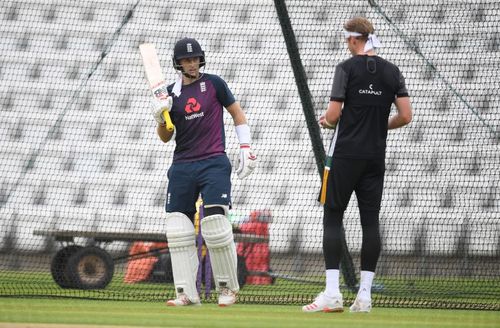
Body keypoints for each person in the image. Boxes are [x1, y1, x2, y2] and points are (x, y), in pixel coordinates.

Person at [302, 17, 413, 313]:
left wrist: (327, 122)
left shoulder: (346, 69)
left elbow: (333, 114)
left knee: (333, 216)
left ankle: (332, 293)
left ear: (353, 39)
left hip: (345, 155)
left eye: (346, 39)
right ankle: (364, 297)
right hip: (375, 158)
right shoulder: (393, 71)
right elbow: (405, 115)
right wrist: (378, 127)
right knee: (370, 222)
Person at [150, 37, 257, 307]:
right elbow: (165, 136)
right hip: (183, 164)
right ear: (178, 63)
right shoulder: (170, 94)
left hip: (213, 161)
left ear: (201, 59)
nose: (192, 63)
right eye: (186, 60)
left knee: (215, 224)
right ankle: (186, 293)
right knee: (177, 228)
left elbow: (236, 113)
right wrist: (160, 116)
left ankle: (228, 288)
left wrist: (245, 146)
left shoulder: (215, 83)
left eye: (195, 58)